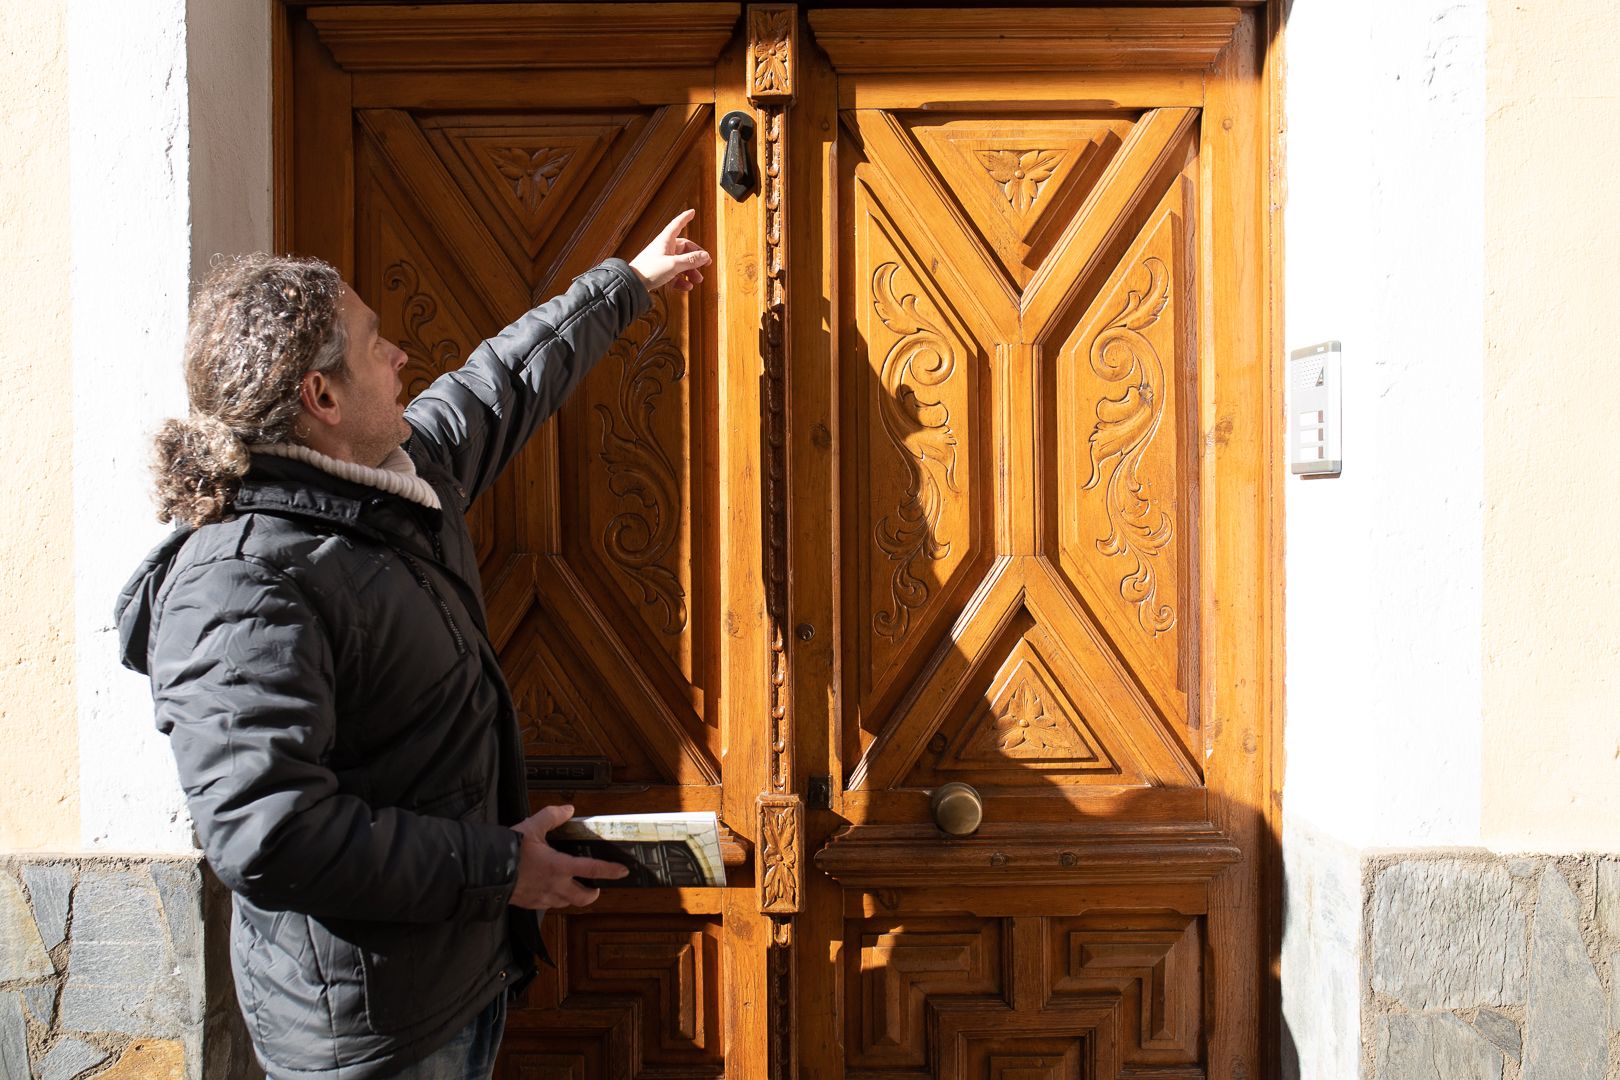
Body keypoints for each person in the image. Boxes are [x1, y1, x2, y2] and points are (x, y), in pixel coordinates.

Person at [114, 212, 711, 1080]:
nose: (401, 356)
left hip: (451, 982)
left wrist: (625, 285)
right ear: (321, 398)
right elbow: (269, 833)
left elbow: (497, 388)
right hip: (368, 1035)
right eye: (374, 343)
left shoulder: (385, 487)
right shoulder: (240, 583)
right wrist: (501, 870)